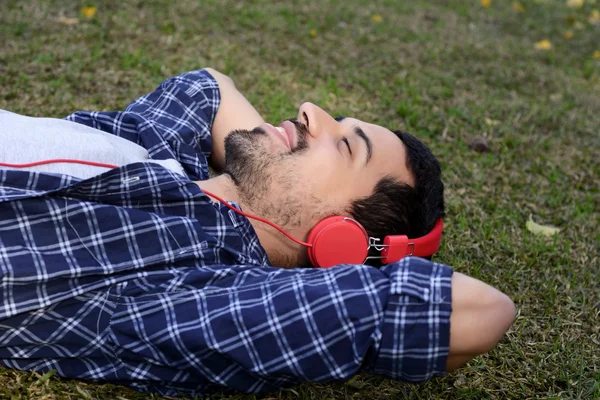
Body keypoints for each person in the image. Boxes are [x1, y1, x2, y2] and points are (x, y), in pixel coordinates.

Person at [0, 68, 515, 397]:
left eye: (344, 146)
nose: (310, 112)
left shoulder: (199, 289)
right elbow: (210, 87)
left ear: (342, 239)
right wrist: (273, 175)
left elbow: (481, 312)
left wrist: (344, 253)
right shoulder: (159, 150)